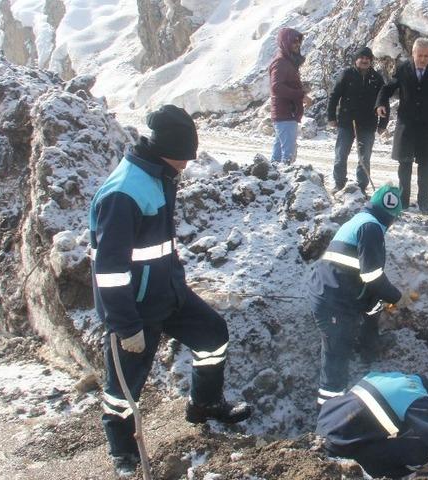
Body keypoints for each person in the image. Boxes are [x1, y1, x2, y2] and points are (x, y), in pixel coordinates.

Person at [89, 105, 253, 477]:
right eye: (184, 157)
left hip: (168, 293)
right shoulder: (123, 193)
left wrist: (175, 280)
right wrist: (125, 325)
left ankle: (204, 404)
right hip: (134, 308)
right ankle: (122, 450)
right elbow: (109, 271)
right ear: (166, 150)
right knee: (123, 389)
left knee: (213, 335)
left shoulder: (158, 175)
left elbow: (158, 247)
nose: (186, 164)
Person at [306, 184, 414, 405]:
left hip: (339, 291)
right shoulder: (372, 228)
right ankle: (328, 412)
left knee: (372, 308)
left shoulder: (361, 220)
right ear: (391, 216)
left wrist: (378, 310)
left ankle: (368, 348)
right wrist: (396, 297)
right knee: (336, 356)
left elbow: (366, 283)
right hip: (333, 301)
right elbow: (372, 277)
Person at [317, 371, 428, 479]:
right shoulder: (417, 398)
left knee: (405, 441)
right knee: (419, 451)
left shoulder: (401, 380)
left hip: (326, 429)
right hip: (340, 449)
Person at [376, 37, 428, 215]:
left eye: (426, 56)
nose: (423, 59)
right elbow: (387, 88)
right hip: (407, 126)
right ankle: (403, 202)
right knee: (405, 165)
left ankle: (424, 202)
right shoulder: (404, 69)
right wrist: (380, 103)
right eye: (420, 55)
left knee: (426, 167)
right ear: (413, 53)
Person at [327, 46, 389, 195]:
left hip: (368, 123)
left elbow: (384, 101)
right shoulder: (346, 74)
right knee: (341, 154)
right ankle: (339, 183)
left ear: (371, 61)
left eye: (368, 58)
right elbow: (334, 96)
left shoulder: (377, 78)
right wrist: (331, 117)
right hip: (347, 122)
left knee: (364, 157)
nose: (364, 60)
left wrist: (383, 124)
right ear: (356, 59)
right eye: (362, 57)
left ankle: (361, 187)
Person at [269, 27, 312, 164]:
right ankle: (284, 181)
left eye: (298, 42)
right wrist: (301, 95)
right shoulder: (281, 62)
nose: (297, 45)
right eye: (293, 42)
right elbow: (276, 87)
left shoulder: (286, 61)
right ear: (285, 42)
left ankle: (273, 181)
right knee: (288, 155)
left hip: (286, 113)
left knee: (278, 156)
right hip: (285, 113)